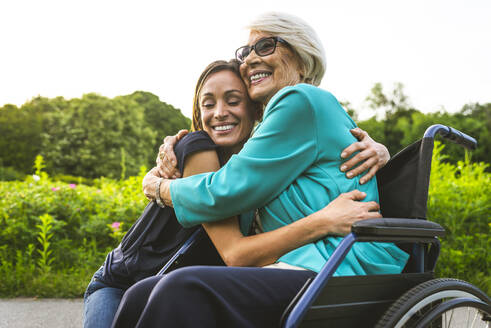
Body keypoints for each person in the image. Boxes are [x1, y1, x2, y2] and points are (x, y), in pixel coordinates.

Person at [111, 12, 409, 328]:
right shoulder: (282, 124)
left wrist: (157, 187)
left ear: (303, 60)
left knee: (181, 288)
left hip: (337, 264)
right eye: (246, 51)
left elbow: (224, 191)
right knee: (140, 294)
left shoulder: (300, 98)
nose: (249, 60)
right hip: (298, 264)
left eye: (265, 46)